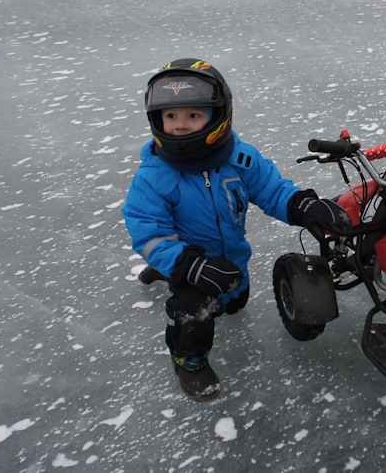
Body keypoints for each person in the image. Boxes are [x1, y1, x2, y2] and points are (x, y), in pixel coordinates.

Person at [122, 58, 352, 401]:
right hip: (191, 262)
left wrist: (301, 205)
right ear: (157, 119)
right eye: (171, 116)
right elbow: (150, 233)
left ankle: (173, 271)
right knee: (194, 310)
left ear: (218, 115)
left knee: (234, 301)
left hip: (232, 258)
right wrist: (188, 266)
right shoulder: (152, 179)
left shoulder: (240, 159)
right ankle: (188, 360)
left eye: (193, 115)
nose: (180, 126)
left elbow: (271, 190)